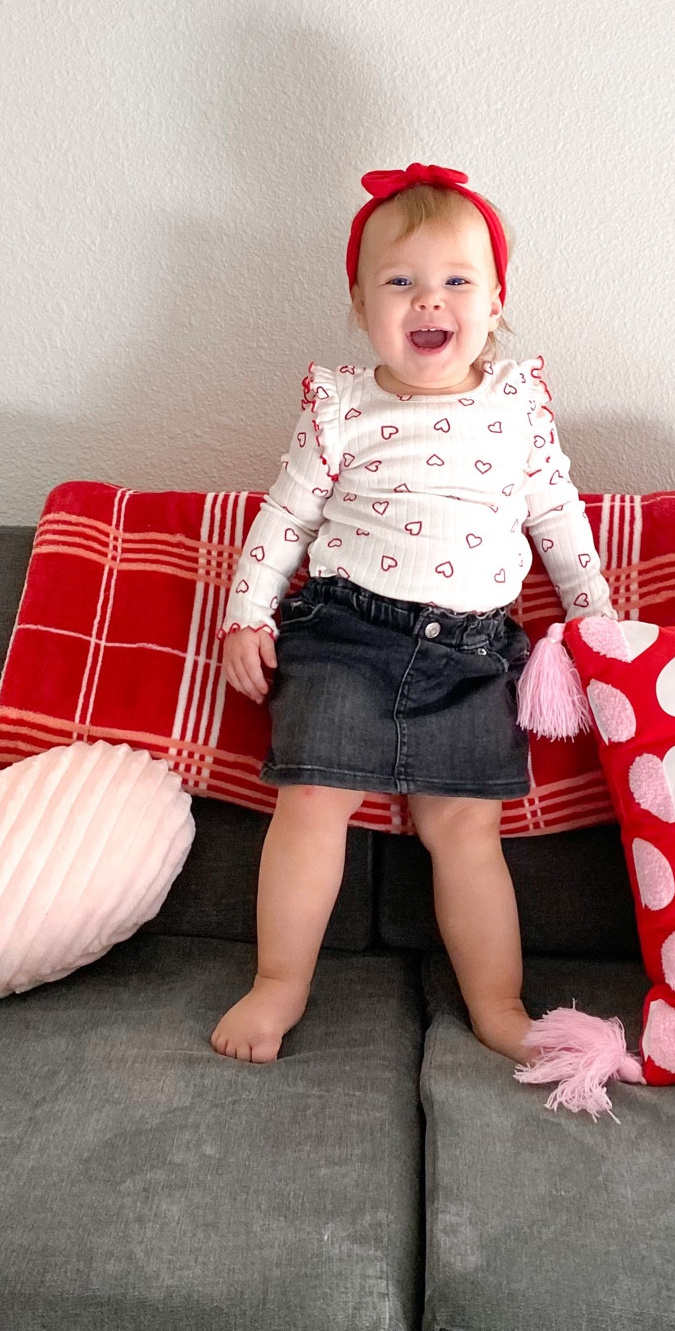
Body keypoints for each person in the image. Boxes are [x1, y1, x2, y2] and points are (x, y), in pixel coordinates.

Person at [210, 162, 614, 1065]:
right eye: (400, 282)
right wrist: (247, 615)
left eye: (456, 281)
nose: (429, 300)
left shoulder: (518, 409)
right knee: (311, 802)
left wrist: (596, 624)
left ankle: (499, 1005)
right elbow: (286, 518)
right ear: (360, 306)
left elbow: (557, 519)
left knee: (467, 831)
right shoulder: (341, 407)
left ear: (496, 300)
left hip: (473, 654)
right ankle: (280, 983)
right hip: (346, 635)